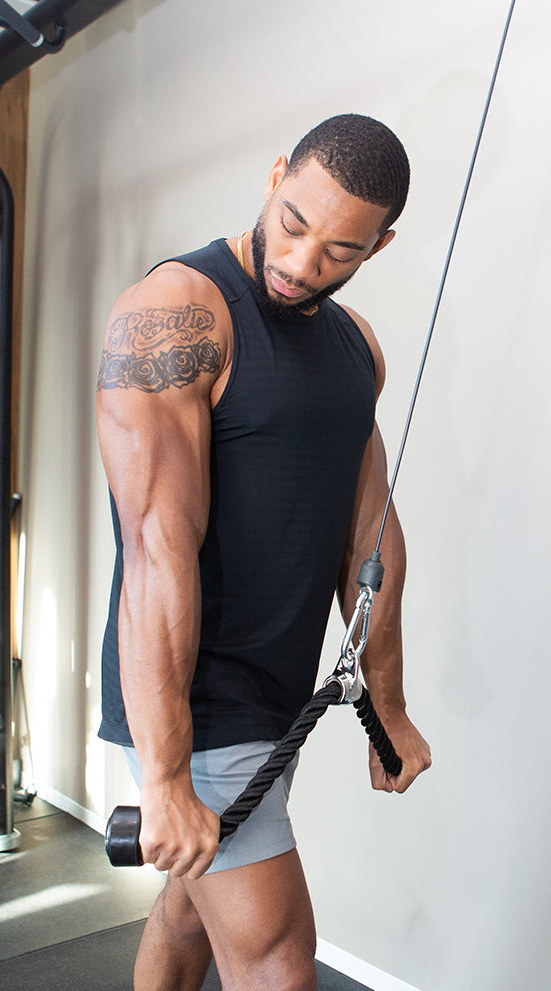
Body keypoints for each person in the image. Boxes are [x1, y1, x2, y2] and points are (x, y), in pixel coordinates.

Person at [95, 114, 432, 991]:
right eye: (293, 223)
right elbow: (156, 548)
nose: (301, 263)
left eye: (339, 250)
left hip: (278, 687)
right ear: (276, 174)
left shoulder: (356, 346)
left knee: (189, 914)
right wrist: (165, 774)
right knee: (278, 959)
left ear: (379, 246)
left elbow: (369, 533)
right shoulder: (176, 316)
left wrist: (387, 706)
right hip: (199, 699)